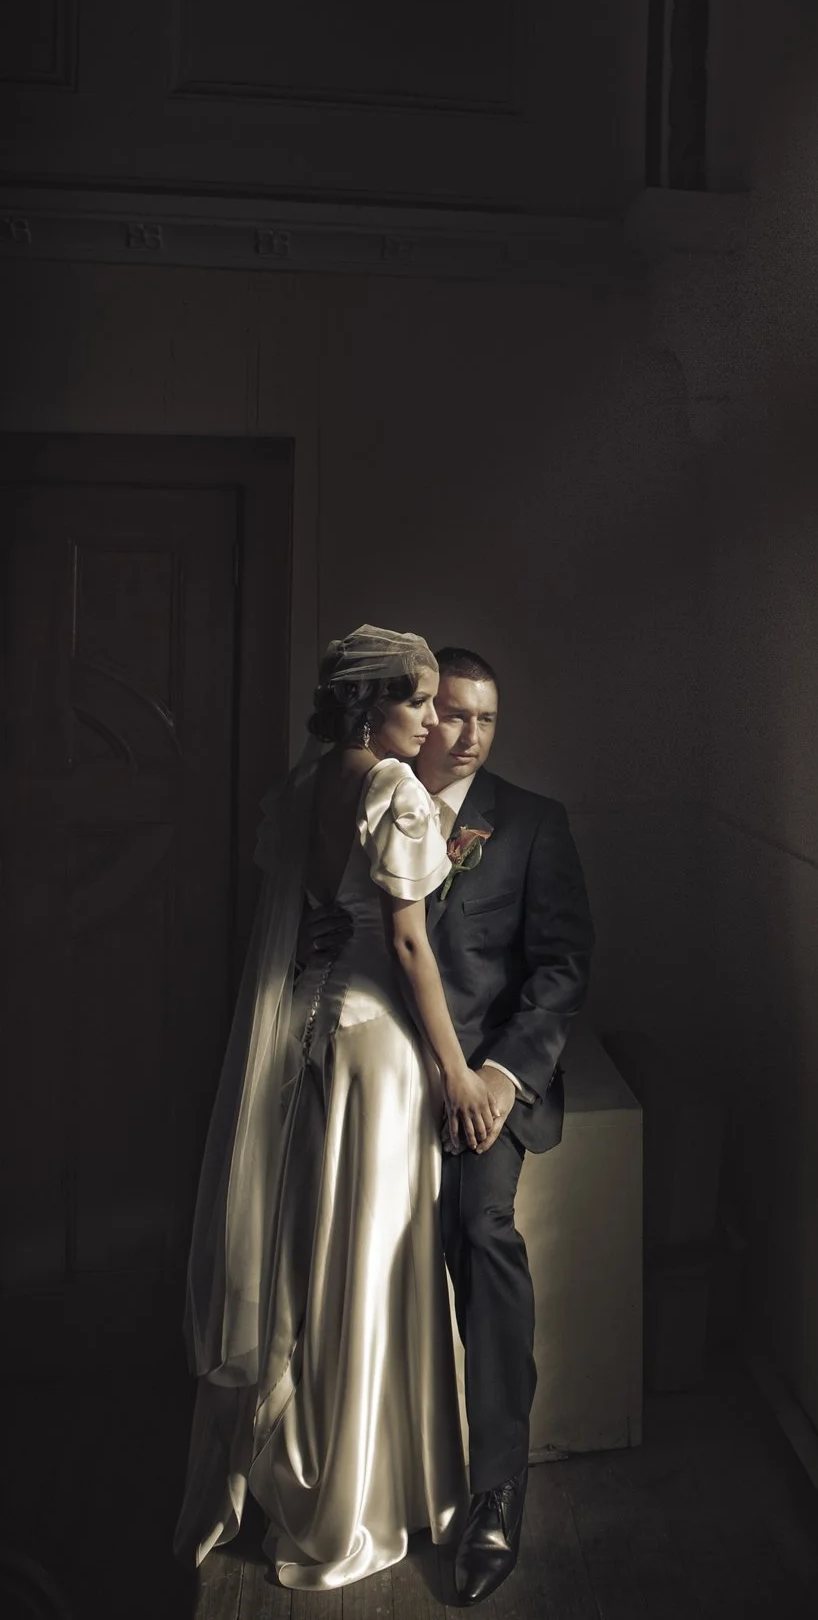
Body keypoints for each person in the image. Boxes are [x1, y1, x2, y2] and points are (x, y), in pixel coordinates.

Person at [175, 625, 502, 1591]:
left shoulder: (310, 780)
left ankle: (320, 1463)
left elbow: (317, 903)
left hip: (315, 1028)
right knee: (373, 1251)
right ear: (371, 706)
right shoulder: (393, 788)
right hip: (381, 1044)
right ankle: (363, 1489)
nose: (439, 721)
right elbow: (406, 947)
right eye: (423, 705)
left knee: (322, 1247)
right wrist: (455, 1070)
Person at [300, 644, 594, 1606]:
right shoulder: (371, 797)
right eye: (453, 714)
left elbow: (559, 970)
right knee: (350, 1244)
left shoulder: (532, 824)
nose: (465, 736)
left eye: (486, 720)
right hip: (384, 1067)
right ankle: (369, 1472)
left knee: (479, 1228)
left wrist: (502, 1078)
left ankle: (498, 1488)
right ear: (420, 714)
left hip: (485, 1083)